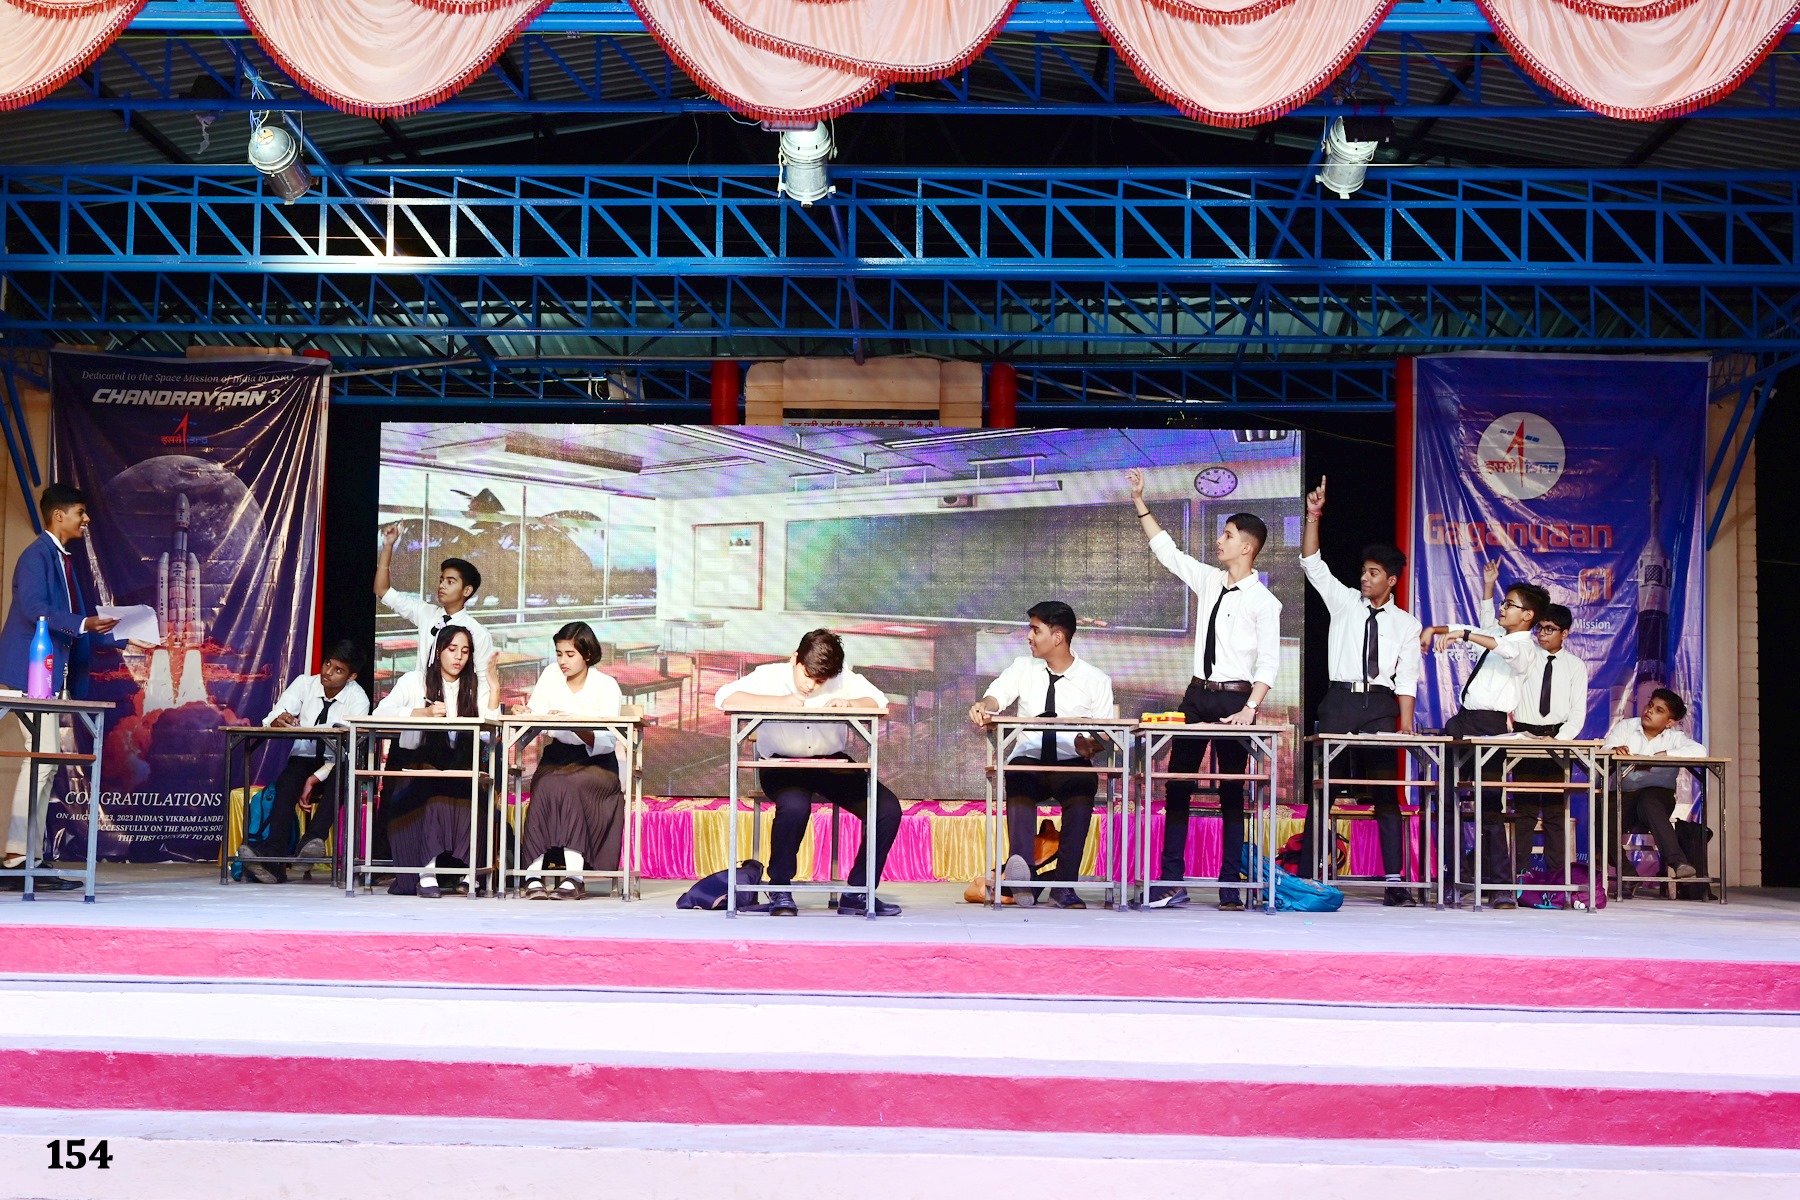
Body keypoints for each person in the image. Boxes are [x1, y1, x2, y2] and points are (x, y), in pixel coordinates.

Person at [1128, 468, 1280, 911]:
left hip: (1235, 699)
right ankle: (1170, 881)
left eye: (1227, 535)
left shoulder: (1264, 602)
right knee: (1178, 783)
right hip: (1196, 696)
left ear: (1247, 547)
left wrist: (1251, 707)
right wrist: (1140, 501)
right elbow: (1168, 552)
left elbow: (1269, 662)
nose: (1219, 540)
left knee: (1233, 791)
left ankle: (1231, 886)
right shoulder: (1210, 580)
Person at [1294, 475, 1423, 906]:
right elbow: (1311, 562)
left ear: (1392, 580)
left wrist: (1405, 725)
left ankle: (1395, 881)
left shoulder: (1407, 624)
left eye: (1373, 573)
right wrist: (1313, 516)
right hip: (1340, 700)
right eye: (1364, 572)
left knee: (1385, 792)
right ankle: (1308, 875)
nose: (1365, 579)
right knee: (1324, 789)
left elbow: (1407, 677)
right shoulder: (1345, 601)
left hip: (1381, 705)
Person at [715, 629, 901, 917]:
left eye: (820, 681)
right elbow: (724, 697)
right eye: (807, 676)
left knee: (886, 809)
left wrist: (851, 704)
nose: (812, 686)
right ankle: (780, 888)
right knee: (794, 807)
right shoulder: (770, 675)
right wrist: (778, 703)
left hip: (830, 764)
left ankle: (858, 893)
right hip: (782, 765)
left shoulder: (842, 678)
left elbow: (878, 701)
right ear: (795, 659)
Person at [0, 484, 130, 891]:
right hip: (28, 675)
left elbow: (70, 622)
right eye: (80, 512)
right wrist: (84, 623)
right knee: (41, 763)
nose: (85, 519)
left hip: (47, 676)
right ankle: (18, 858)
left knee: (45, 764)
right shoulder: (36, 555)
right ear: (59, 516)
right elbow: (34, 609)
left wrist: (122, 636)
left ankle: (26, 856)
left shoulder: (60, 558)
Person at [969, 601, 1116, 910]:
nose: (1029, 637)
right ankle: (1024, 876)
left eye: (1036, 630)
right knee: (1018, 778)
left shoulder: (1096, 680)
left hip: (1071, 761)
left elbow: (1103, 736)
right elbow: (997, 695)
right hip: (1030, 758)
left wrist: (1088, 745)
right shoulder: (1022, 667)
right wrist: (985, 705)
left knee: (1082, 789)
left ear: (1057, 637)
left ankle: (1064, 887)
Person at [1420, 564, 1549, 908]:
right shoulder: (1497, 635)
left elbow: (1495, 643)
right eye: (1503, 604)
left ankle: (1500, 886)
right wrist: (1486, 590)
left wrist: (1464, 635)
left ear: (1528, 615)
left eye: (1510, 605)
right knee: (1448, 802)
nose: (1503, 609)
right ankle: (1454, 878)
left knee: (1490, 806)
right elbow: (1480, 625)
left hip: (1491, 728)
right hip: (1462, 722)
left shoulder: (1525, 648)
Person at [372, 625, 495, 897]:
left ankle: (469, 875)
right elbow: (380, 713)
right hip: (420, 765)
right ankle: (426, 874)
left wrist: (494, 690)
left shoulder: (474, 686)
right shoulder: (414, 681)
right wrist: (420, 713)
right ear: (438, 651)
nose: (458, 657)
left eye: (465, 651)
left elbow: (489, 734)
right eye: (452, 649)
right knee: (432, 799)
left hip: (459, 767)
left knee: (477, 800)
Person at [238, 639, 371, 883]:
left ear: (351, 676)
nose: (327, 672)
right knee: (287, 783)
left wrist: (315, 778)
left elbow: (349, 749)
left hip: (334, 764)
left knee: (343, 775)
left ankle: (311, 841)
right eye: (327, 663)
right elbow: (274, 715)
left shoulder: (358, 699)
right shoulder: (304, 684)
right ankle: (274, 861)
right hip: (303, 759)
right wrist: (279, 720)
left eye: (338, 670)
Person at [517, 621, 625, 901]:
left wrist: (575, 724)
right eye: (559, 654)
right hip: (558, 757)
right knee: (545, 786)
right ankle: (532, 876)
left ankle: (574, 877)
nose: (562, 661)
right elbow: (537, 715)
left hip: (596, 763)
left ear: (587, 654)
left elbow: (607, 741)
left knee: (569, 786)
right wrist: (525, 713)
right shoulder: (550, 675)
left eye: (569, 654)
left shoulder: (606, 685)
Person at [1496, 602, 1589, 885]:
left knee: (1554, 812)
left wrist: (1557, 740)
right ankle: (1518, 875)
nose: (1543, 634)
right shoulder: (1527, 656)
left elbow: (1577, 713)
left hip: (1556, 741)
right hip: (1524, 738)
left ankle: (1556, 877)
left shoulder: (1575, 666)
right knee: (1524, 811)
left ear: (1565, 633)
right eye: (1540, 628)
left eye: (1550, 629)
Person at [373, 524, 498, 701]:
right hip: (420, 705)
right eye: (441, 580)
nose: (442, 586)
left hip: (455, 709)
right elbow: (382, 590)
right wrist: (388, 546)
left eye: (450, 582)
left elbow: (484, 683)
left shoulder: (478, 633)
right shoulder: (426, 613)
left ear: (467, 590)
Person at [1604, 688, 1706, 883]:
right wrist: (1614, 750)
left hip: (1658, 798)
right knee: (1601, 816)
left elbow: (1700, 751)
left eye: (1659, 710)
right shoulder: (1626, 727)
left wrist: (1666, 755)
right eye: (1650, 705)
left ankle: (1678, 863)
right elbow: (1606, 748)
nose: (1649, 711)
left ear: (1669, 722)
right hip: (1624, 795)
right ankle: (1628, 874)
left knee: (1649, 802)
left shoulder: (1675, 738)